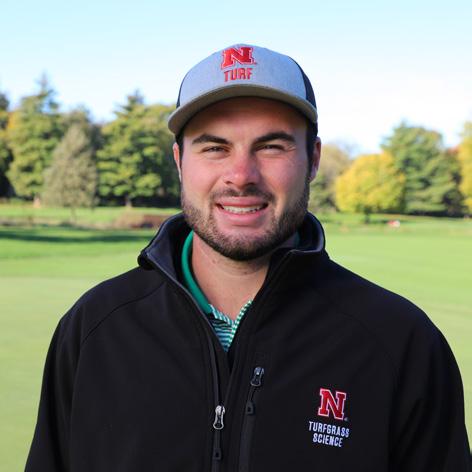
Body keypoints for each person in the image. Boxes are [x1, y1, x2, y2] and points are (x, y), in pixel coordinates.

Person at [26, 44, 470, 471]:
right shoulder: (93, 329)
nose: (241, 176)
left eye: (272, 146)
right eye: (214, 147)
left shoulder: (401, 344)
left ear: (313, 159)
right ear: (179, 161)